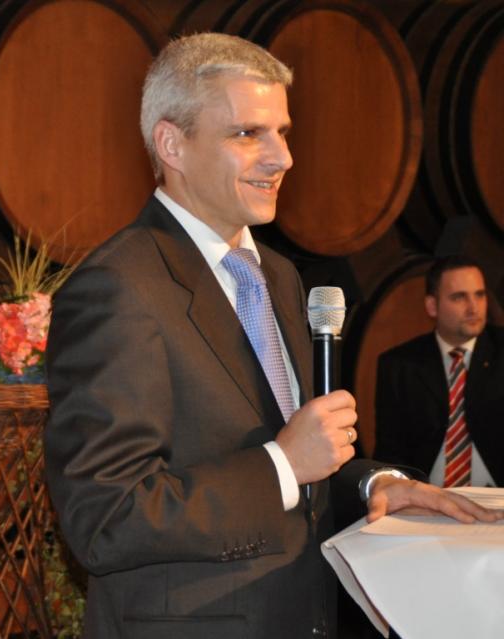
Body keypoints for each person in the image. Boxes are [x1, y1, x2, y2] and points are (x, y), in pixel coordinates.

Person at [44, 34, 501, 639]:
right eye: (247, 134)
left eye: (283, 132)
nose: (282, 157)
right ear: (172, 144)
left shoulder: (277, 275)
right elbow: (105, 518)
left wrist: (375, 484)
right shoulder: (119, 287)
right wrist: (283, 463)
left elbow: (296, 458)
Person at [375, 255, 504, 487]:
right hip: (427, 496)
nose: (474, 308)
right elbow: (390, 452)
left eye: (479, 295)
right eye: (459, 297)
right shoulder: (399, 365)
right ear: (432, 306)